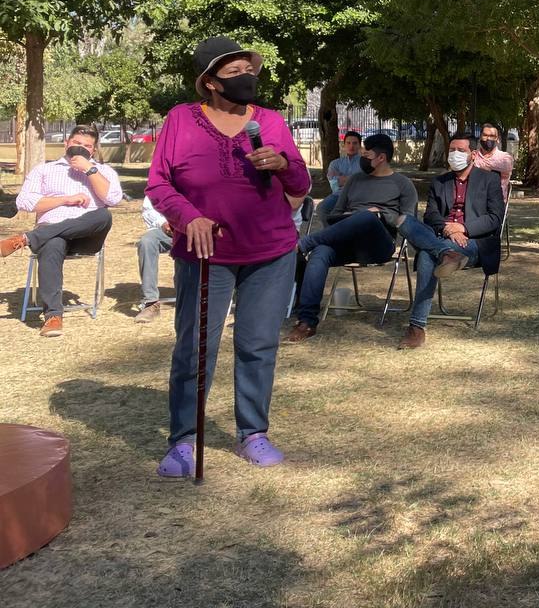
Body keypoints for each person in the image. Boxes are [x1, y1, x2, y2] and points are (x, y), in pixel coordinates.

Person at [146, 37, 312, 476]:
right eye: (235, 72)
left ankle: (253, 433)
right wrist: (188, 218)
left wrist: (282, 164)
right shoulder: (181, 119)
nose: (247, 77)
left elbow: (301, 183)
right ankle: (184, 440)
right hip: (205, 252)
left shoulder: (271, 121)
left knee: (258, 344)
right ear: (211, 82)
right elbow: (159, 184)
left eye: (249, 70)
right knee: (195, 347)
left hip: (270, 251)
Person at [285, 132, 417, 342]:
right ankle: (307, 321)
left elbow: (408, 221)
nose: (361, 158)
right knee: (320, 253)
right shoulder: (355, 180)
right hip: (347, 241)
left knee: (366, 217)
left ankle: (305, 243)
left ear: (381, 158)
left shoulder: (403, 184)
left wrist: (382, 214)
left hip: (379, 244)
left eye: (366, 155)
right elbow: (335, 213)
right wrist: (349, 217)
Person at [2, 126, 123, 337]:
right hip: (52, 234)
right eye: (77, 143)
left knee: (104, 215)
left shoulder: (103, 171)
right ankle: (53, 316)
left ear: (93, 150)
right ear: (67, 143)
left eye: (87, 146)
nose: (81, 148)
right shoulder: (44, 170)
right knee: (52, 243)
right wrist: (65, 200)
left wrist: (89, 169)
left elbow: (113, 199)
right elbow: (24, 201)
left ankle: (27, 239)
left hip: (87, 236)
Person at [394, 132, 505, 349]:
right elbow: (431, 215)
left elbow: (495, 218)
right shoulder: (439, 181)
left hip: (474, 243)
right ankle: (446, 253)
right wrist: (447, 229)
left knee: (426, 253)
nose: (455, 154)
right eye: (452, 150)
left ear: (473, 154)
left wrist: (462, 228)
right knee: (405, 221)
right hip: (444, 238)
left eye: (461, 150)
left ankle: (416, 328)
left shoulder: (490, 179)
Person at [134, 195, 175, 323]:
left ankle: (201, 298)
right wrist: (163, 223)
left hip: (197, 229)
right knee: (147, 242)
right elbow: (148, 210)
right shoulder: (160, 184)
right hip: (167, 230)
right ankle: (150, 302)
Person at [318, 131, 363, 220]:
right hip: (338, 195)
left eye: (355, 143)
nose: (351, 146)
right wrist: (355, 179)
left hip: (360, 196)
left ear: (359, 145)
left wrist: (343, 179)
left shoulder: (365, 163)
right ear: (344, 145)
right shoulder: (335, 164)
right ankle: (332, 229)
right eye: (348, 143)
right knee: (321, 209)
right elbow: (334, 185)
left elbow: (365, 183)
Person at [472, 122, 515, 198]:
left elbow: (506, 166)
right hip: (474, 198)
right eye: (485, 135)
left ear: (497, 139)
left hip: (496, 200)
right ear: (480, 137)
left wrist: (476, 164)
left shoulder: (505, 157)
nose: (488, 138)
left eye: (492, 136)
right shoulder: (473, 154)